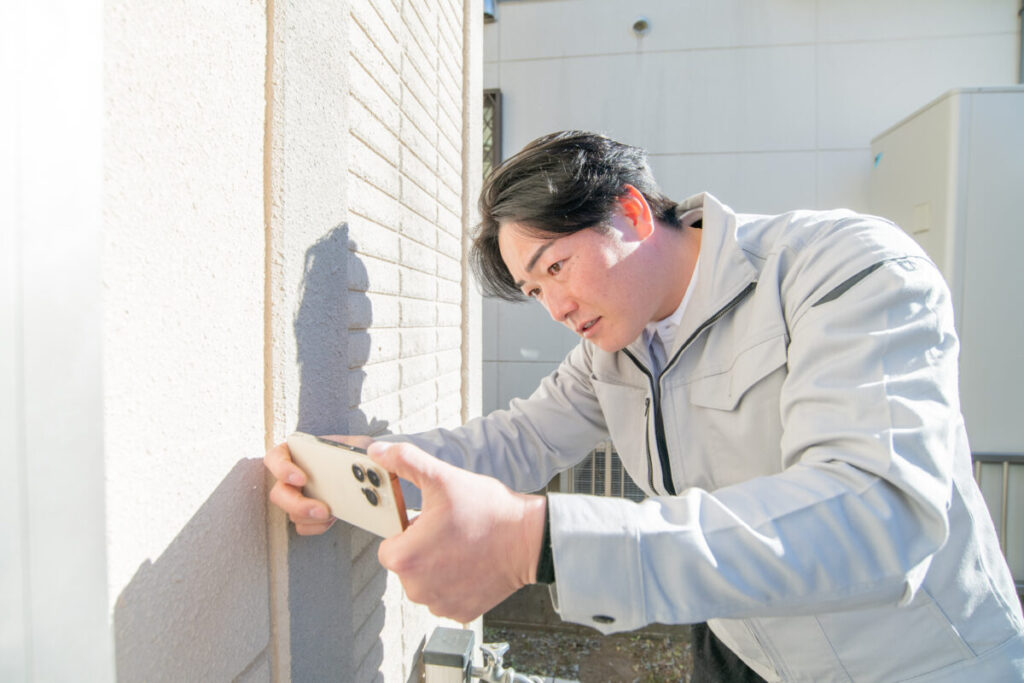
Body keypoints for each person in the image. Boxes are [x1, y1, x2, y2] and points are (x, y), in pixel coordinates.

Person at [265, 131, 1024, 681]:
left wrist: (537, 540)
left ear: (629, 212)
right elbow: (517, 441)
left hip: (916, 663)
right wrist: (360, 469)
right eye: (534, 291)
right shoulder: (614, 348)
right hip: (739, 649)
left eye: (555, 266)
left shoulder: (840, 268)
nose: (556, 307)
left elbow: (877, 508)